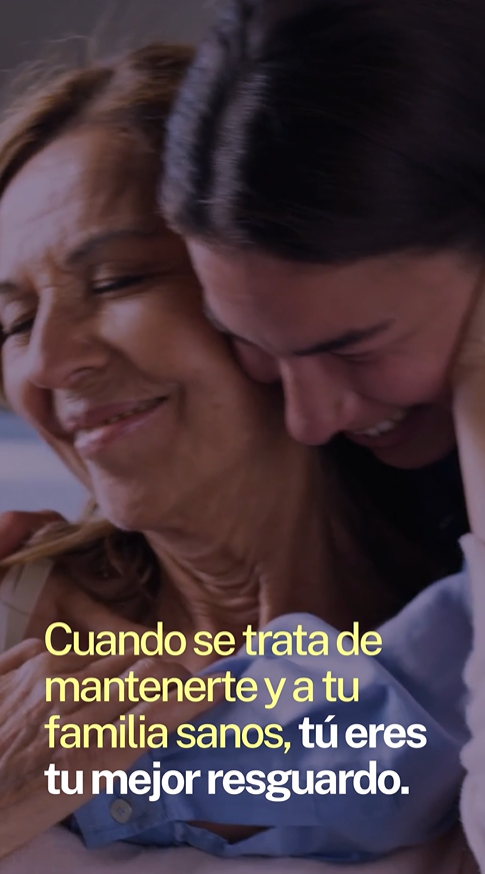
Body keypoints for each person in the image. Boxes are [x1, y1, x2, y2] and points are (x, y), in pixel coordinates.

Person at [0, 41, 476, 869]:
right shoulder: (16, 622)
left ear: (266, 289)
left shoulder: (458, 650)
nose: (45, 361)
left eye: (114, 282)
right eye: (11, 322)